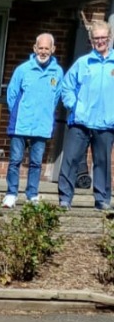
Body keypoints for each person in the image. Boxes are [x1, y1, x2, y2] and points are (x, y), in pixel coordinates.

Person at [57, 20, 114, 211]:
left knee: (103, 162)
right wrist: (75, 107)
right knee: (71, 159)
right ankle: (65, 198)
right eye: (96, 38)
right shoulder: (82, 63)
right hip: (80, 121)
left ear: (109, 38)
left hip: (106, 123)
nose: (100, 41)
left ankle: (102, 199)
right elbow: (66, 87)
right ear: (91, 40)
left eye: (103, 38)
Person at [3, 33, 63, 207]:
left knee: (36, 163)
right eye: (40, 48)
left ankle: (32, 194)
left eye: (47, 48)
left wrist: (46, 114)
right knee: (15, 160)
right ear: (34, 48)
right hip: (20, 123)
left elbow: (56, 97)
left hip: (41, 125)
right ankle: (11, 193)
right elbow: (12, 94)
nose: (43, 51)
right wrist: (18, 113)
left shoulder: (57, 72)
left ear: (53, 49)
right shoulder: (23, 69)